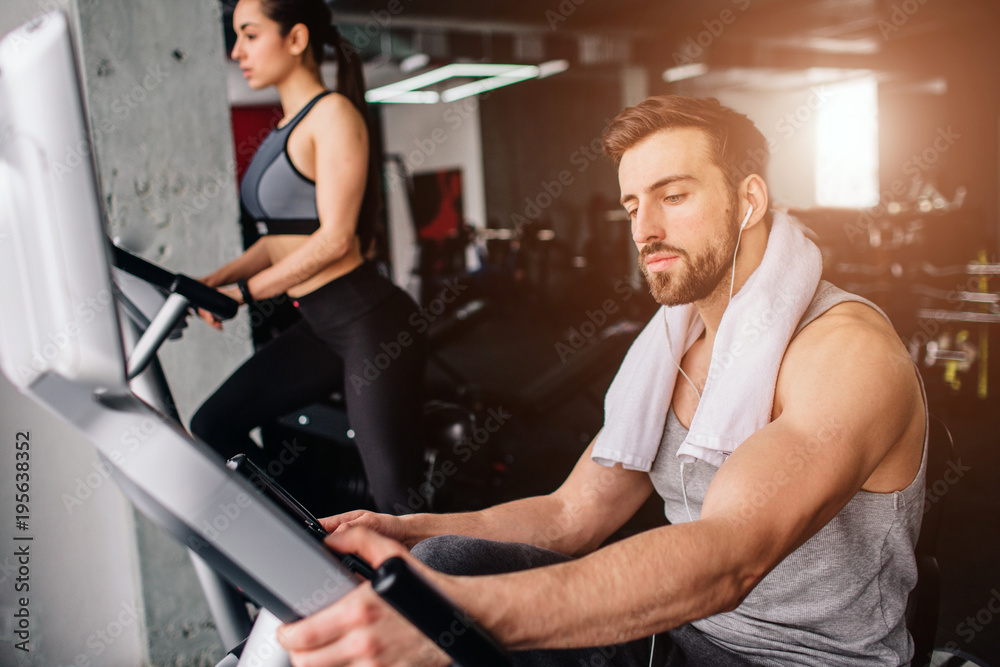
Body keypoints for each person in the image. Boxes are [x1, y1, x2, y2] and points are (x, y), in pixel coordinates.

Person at [275, 96, 927, 666]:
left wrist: (459, 615)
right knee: (445, 563)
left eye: (674, 196)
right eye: (633, 206)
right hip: (684, 635)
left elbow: (732, 556)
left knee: (443, 605)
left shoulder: (845, 352)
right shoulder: (674, 341)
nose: (645, 230)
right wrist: (412, 531)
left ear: (748, 200)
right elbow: (568, 515)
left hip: (797, 660)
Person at [189, 0, 427, 514]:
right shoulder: (281, 132)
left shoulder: (333, 115)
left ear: (296, 39)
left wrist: (243, 294)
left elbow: (335, 239)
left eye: (249, 35)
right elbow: (279, 239)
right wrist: (212, 280)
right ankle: (319, 544)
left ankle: (447, 590)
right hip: (318, 325)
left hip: (369, 321)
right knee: (213, 425)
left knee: (397, 499)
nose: (237, 52)